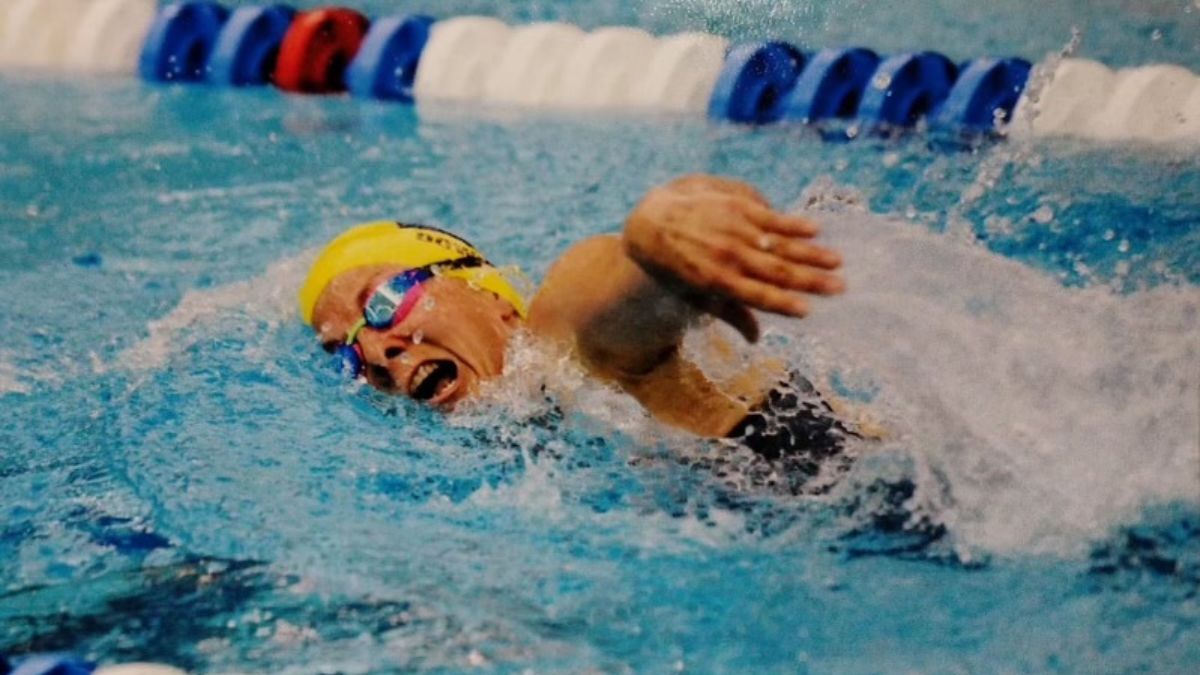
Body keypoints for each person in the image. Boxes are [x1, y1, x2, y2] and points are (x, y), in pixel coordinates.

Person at [298, 174, 860, 486]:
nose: (375, 350)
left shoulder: (555, 343)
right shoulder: (515, 445)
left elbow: (596, 297)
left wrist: (658, 240)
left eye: (383, 301)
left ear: (488, 294)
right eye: (345, 352)